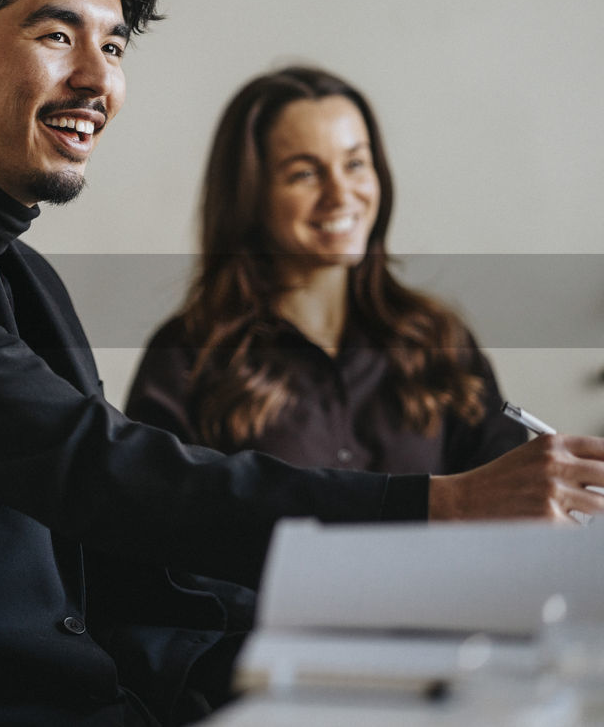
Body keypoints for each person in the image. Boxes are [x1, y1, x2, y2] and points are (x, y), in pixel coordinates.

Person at [0, 0, 604, 726]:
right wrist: (435, 507)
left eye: (114, 48)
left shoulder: (16, 268)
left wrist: (324, 656)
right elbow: (91, 467)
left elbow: (118, 552)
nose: (96, 79)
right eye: (56, 35)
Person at [126, 65, 526, 473]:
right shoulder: (186, 357)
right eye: (305, 173)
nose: (340, 196)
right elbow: (151, 515)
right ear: (251, 196)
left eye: (354, 164)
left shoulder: (438, 337)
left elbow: (509, 500)